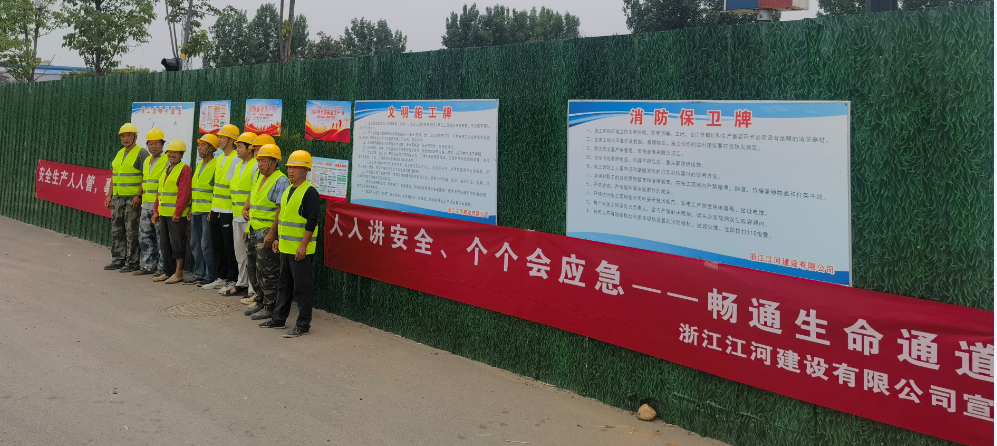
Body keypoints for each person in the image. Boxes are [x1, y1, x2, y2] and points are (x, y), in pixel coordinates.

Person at [259, 150, 320, 338]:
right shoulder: (288, 190)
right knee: (283, 286)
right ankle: (278, 319)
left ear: (305, 170)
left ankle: (303, 325)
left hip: (300, 251)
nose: (291, 171)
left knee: (302, 289)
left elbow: (312, 222)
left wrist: (303, 246)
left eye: (295, 167)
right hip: (285, 248)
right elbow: (284, 219)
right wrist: (278, 239)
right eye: (290, 167)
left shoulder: (310, 192)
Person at [243, 144, 288, 320]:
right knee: (253, 269)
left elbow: (280, 211)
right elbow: (255, 206)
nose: (260, 164)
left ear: (274, 162)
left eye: (263, 160)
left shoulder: (280, 180)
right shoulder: (259, 176)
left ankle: (270, 307)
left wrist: (272, 234)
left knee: (268, 271)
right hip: (254, 230)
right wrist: (248, 228)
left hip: (267, 232)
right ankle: (260, 301)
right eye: (259, 160)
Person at [104, 123, 150, 273]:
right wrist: (109, 195)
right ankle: (118, 259)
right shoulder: (119, 153)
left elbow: (146, 176)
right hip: (118, 198)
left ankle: (132, 262)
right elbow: (114, 176)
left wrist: (138, 195)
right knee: (117, 230)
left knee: (132, 231)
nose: (125, 138)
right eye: (123, 136)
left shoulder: (141, 153)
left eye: (129, 135)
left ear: (135, 136)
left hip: (132, 199)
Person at [219, 131, 258, 297]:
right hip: (236, 215)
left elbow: (254, 192)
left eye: (240, 146)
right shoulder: (238, 165)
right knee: (240, 253)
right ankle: (242, 283)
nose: (237, 149)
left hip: (248, 217)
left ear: (250, 149)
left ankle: (252, 289)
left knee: (250, 254)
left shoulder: (255, 166)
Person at [203, 124, 241, 290]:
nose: (218, 140)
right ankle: (221, 277)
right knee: (217, 246)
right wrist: (212, 209)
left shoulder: (236, 159)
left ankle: (232, 279)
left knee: (229, 247)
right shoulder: (219, 159)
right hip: (217, 209)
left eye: (221, 137)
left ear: (231, 140)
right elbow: (217, 187)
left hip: (229, 211)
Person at [151, 140, 192, 284]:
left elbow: (184, 193)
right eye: (170, 152)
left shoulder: (184, 169)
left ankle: (178, 272)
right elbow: (160, 192)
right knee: (165, 244)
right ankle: (167, 272)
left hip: (176, 215)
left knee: (177, 244)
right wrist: (156, 211)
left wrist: (178, 212)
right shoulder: (166, 170)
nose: (172, 155)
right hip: (164, 213)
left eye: (175, 152)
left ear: (181, 155)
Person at [184, 133, 218, 286]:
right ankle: (199, 274)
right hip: (196, 210)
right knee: (195, 243)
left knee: (206, 244)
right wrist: (191, 208)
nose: (199, 148)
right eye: (199, 145)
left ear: (211, 148)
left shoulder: (216, 165)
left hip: (207, 212)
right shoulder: (199, 166)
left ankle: (210, 275)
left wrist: (212, 210)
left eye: (203, 145)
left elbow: (217, 190)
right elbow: (196, 190)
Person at [135, 128, 168, 276]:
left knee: (161, 238)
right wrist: (139, 195)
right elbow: (144, 180)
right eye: (150, 143)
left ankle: (162, 267)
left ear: (162, 144)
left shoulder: (166, 160)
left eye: (156, 143)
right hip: (146, 205)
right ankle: (149, 265)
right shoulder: (147, 160)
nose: (153, 146)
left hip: (158, 206)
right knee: (145, 236)